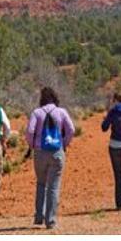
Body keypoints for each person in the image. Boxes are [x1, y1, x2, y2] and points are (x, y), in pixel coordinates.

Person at [25, 87, 75, 229]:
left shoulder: (37, 112)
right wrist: (64, 144)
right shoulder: (62, 112)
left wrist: (34, 144)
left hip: (40, 152)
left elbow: (30, 131)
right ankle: (51, 220)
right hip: (57, 152)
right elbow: (71, 130)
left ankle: (39, 216)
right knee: (53, 186)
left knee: (41, 183)